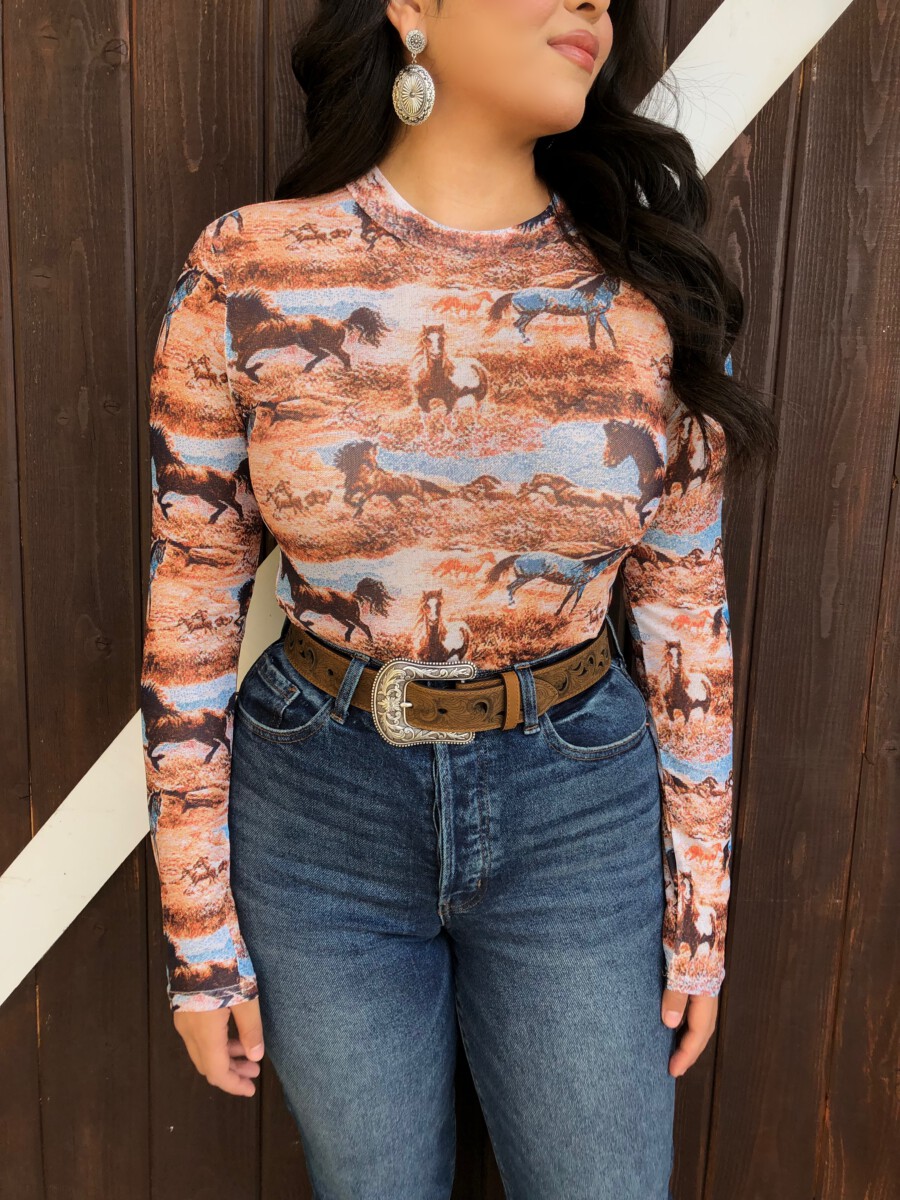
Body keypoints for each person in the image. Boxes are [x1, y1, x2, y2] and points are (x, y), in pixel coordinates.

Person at [139, 2, 776, 1196]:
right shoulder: (249, 270)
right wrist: (199, 931)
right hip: (318, 813)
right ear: (413, 8)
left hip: (576, 812)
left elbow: (688, 616)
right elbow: (193, 600)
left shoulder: (651, 298)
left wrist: (702, 905)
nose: (593, 4)